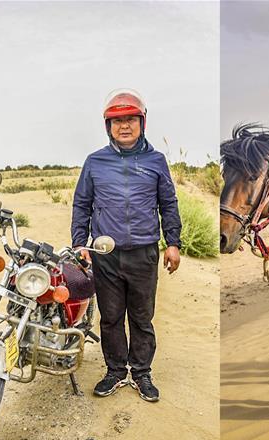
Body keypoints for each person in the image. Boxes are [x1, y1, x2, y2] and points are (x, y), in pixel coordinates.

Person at [71, 88, 182, 402]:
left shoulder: (156, 161)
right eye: (117, 120)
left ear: (142, 122)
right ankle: (116, 371)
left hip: (145, 252)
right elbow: (82, 205)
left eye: (130, 119)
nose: (124, 126)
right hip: (105, 254)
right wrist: (80, 243)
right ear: (108, 126)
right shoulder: (95, 162)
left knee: (142, 318)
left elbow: (168, 204)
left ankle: (142, 373)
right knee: (110, 317)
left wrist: (172, 243)